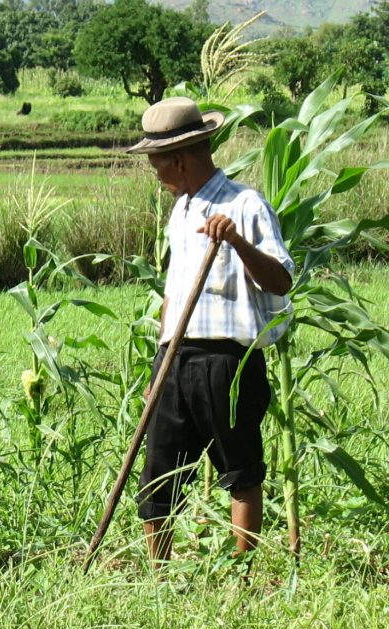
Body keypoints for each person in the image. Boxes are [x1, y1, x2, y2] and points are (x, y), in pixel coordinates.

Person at [126, 98, 294, 566]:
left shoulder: (245, 204)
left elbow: (281, 280)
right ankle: (158, 575)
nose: (155, 175)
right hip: (175, 360)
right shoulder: (180, 212)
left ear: (178, 160)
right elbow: (173, 296)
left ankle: (241, 575)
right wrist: (158, 364)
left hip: (228, 362)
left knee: (240, 471)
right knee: (157, 476)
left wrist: (237, 241)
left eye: (156, 164)